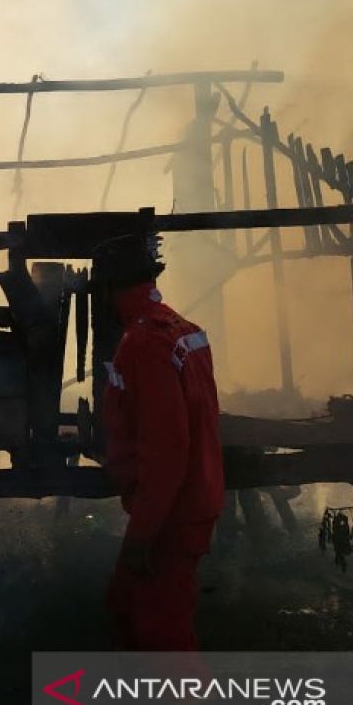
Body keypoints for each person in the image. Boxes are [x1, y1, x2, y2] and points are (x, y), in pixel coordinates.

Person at [93, 234, 224, 651]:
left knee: (162, 640)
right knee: (124, 607)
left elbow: (166, 453)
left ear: (110, 289)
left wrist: (142, 536)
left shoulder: (144, 345)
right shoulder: (185, 331)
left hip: (171, 516)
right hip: (187, 502)